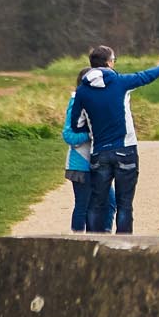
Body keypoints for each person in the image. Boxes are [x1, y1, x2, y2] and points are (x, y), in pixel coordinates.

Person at [67, 45, 159, 233]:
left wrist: (94, 124)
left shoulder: (82, 91)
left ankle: (93, 243)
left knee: (97, 203)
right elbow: (145, 76)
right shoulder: (120, 82)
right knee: (124, 204)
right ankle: (124, 245)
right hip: (126, 149)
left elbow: (76, 124)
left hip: (99, 152)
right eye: (114, 60)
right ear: (109, 62)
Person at [61, 90, 113, 232]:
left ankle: (102, 237)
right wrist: (91, 134)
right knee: (83, 205)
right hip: (80, 164)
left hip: (98, 163)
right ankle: (78, 239)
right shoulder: (76, 102)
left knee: (109, 203)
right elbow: (69, 136)